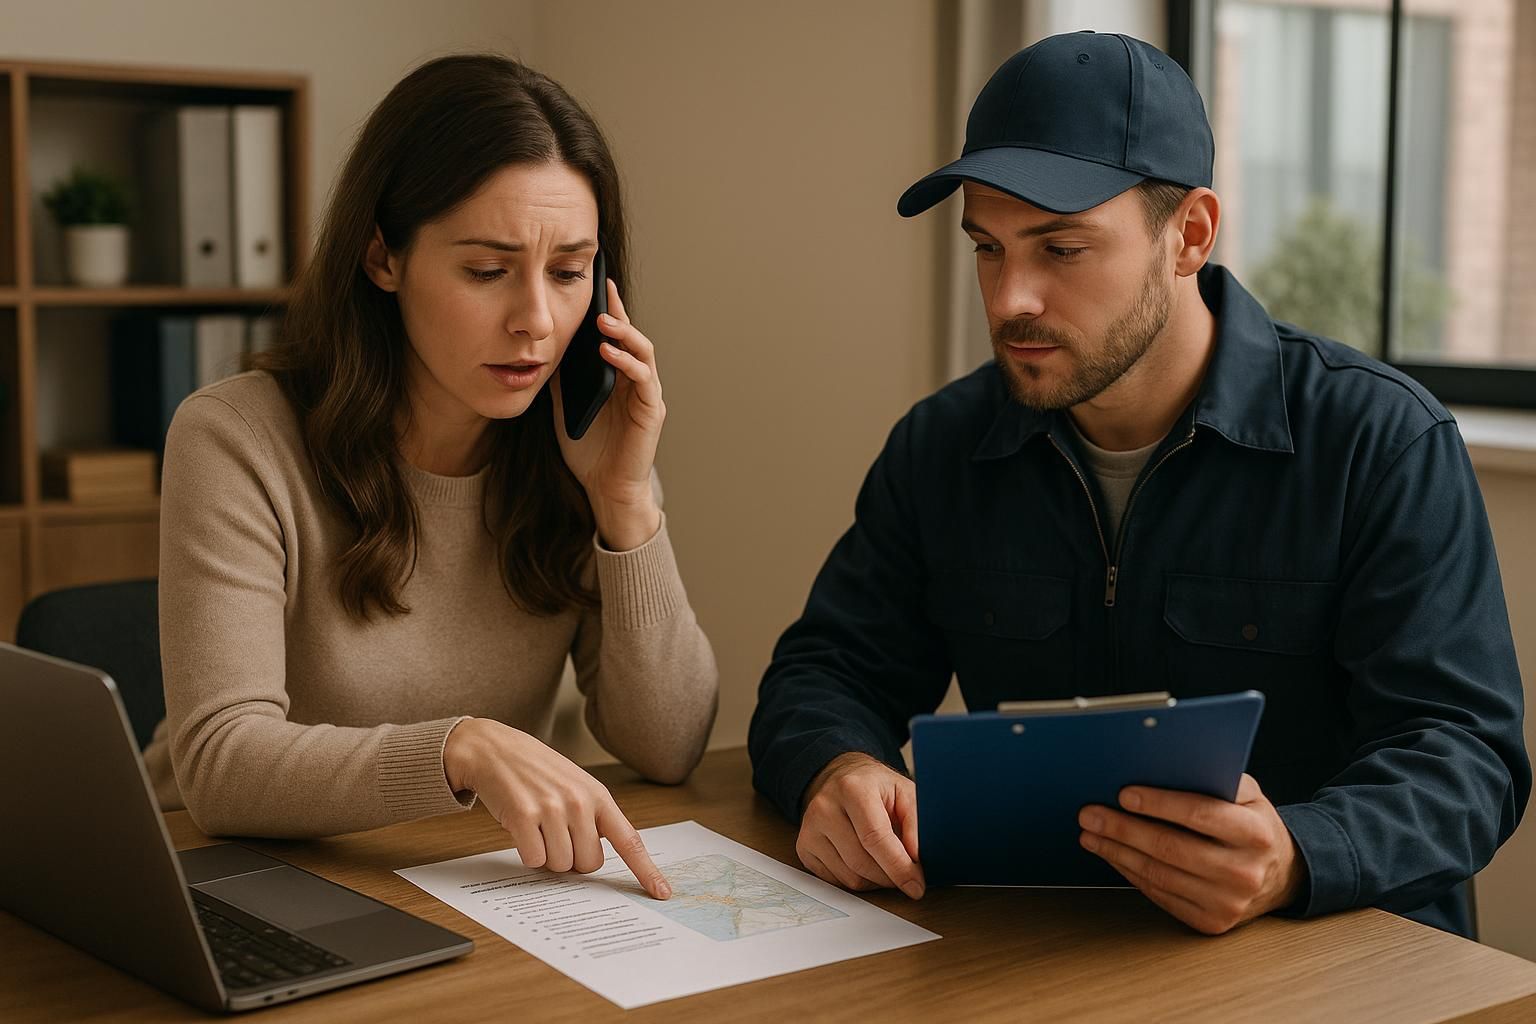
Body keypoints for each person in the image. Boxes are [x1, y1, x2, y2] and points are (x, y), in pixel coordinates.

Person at [748, 30, 1527, 936]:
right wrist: (837, 768)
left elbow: (1466, 756)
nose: (1009, 300)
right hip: (1050, 951)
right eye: (988, 249)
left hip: (1332, 956)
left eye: (1061, 249)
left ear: (1188, 234)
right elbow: (826, 671)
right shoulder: (943, 448)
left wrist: (1297, 854)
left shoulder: (1379, 441)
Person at [144, 55, 718, 900]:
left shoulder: (582, 444)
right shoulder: (235, 437)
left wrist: (623, 503)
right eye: (487, 271)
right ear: (384, 256)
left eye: (568, 273)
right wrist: (460, 747)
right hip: (219, 876)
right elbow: (221, 764)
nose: (536, 320)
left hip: (447, 881)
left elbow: (666, 746)